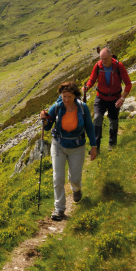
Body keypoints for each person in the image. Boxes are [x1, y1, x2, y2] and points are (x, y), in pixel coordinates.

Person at [40, 81, 97, 221]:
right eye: (64, 96)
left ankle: (76, 189)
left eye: (69, 97)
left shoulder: (82, 108)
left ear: (75, 96)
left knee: (74, 178)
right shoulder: (57, 107)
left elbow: (89, 127)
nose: (66, 99)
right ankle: (59, 209)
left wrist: (93, 146)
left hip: (77, 146)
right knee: (57, 178)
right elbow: (47, 128)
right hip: (58, 145)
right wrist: (45, 120)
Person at [83, 47, 132, 151]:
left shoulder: (119, 66)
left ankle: (112, 145)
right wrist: (87, 87)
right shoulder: (98, 66)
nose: (103, 61)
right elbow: (92, 79)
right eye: (101, 59)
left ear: (111, 56)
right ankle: (96, 147)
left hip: (115, 98)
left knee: (113, 122)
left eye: (105, 59)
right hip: (100, 97)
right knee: (97, 119)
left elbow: (128, 84)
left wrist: (122, 99)